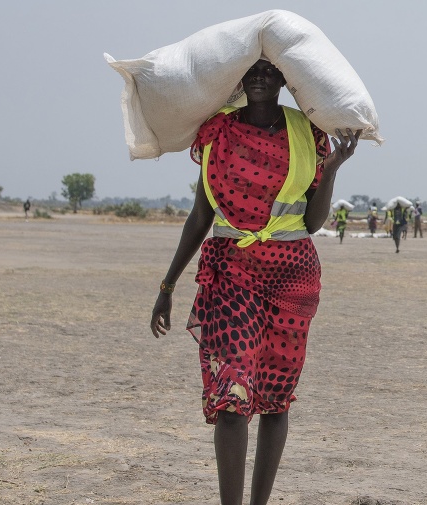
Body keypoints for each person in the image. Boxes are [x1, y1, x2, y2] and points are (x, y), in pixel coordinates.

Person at [149, 59, 360, 505]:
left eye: (271, 69)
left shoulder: (307, 132)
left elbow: (314, 221)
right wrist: (167, 287)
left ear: (285, 79)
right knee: (231, 397)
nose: (261, 76)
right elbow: (201, 217)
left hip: (292, 277)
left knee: (275, 399)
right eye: (253, 69)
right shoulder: (217, 133)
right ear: (239, 79)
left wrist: (334, 169)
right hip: (231, 273)